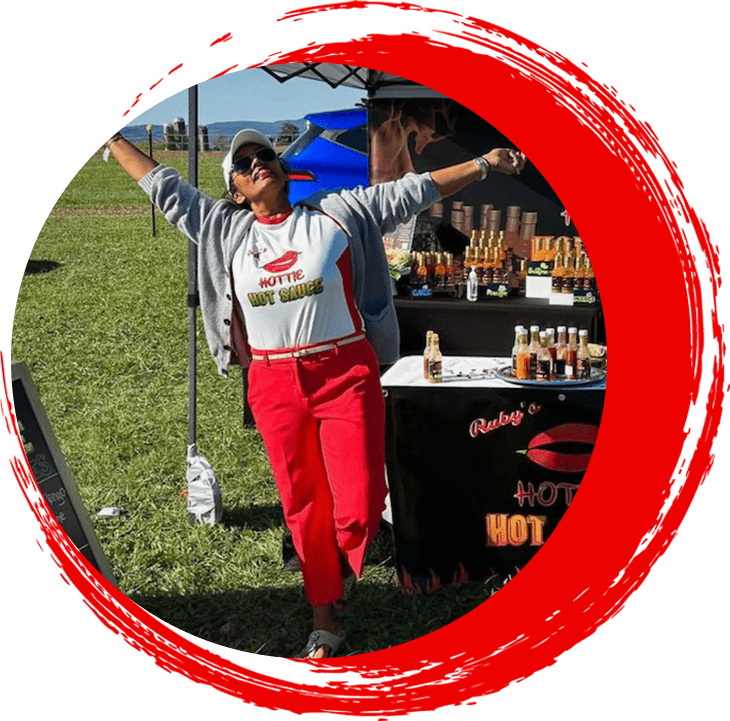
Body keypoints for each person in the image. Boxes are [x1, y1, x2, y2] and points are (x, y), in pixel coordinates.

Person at [103, 126, 526, 658]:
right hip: (274, 381)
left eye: (266, 155)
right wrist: (112, 139)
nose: (259, 162)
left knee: (363, 501)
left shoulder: (338, 213)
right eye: (244, 162)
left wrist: (484, 164)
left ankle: (344, 568)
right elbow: (164, 186)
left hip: (346, 372)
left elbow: (415, 189)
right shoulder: (222, 229)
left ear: (283, 170)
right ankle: (325, 613)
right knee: (303, 504)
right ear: (235, 191)